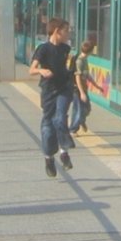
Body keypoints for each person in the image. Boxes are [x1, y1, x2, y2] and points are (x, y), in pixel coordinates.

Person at [29, 18, 76, 177]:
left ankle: (64, 151)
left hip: (64, 89)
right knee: (48, 125)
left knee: (60, 118)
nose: (68, 34)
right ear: (57, 31)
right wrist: (42, 71)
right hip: (49, 90)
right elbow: (32, 69)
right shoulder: (43, 49)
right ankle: (49, 158)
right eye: (66, 30)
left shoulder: (66, 49)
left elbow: (70, 68)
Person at [69, 40, 101, 135]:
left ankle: (81, 120)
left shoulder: (85, 60)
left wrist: (96, 86)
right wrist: (81, 92)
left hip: (84, 88)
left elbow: (87, 75)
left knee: (87, 109)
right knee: (78, 109)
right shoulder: (79, 61)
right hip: (77, 89)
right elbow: (77, 77)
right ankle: (73, 129)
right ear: (90, 51)